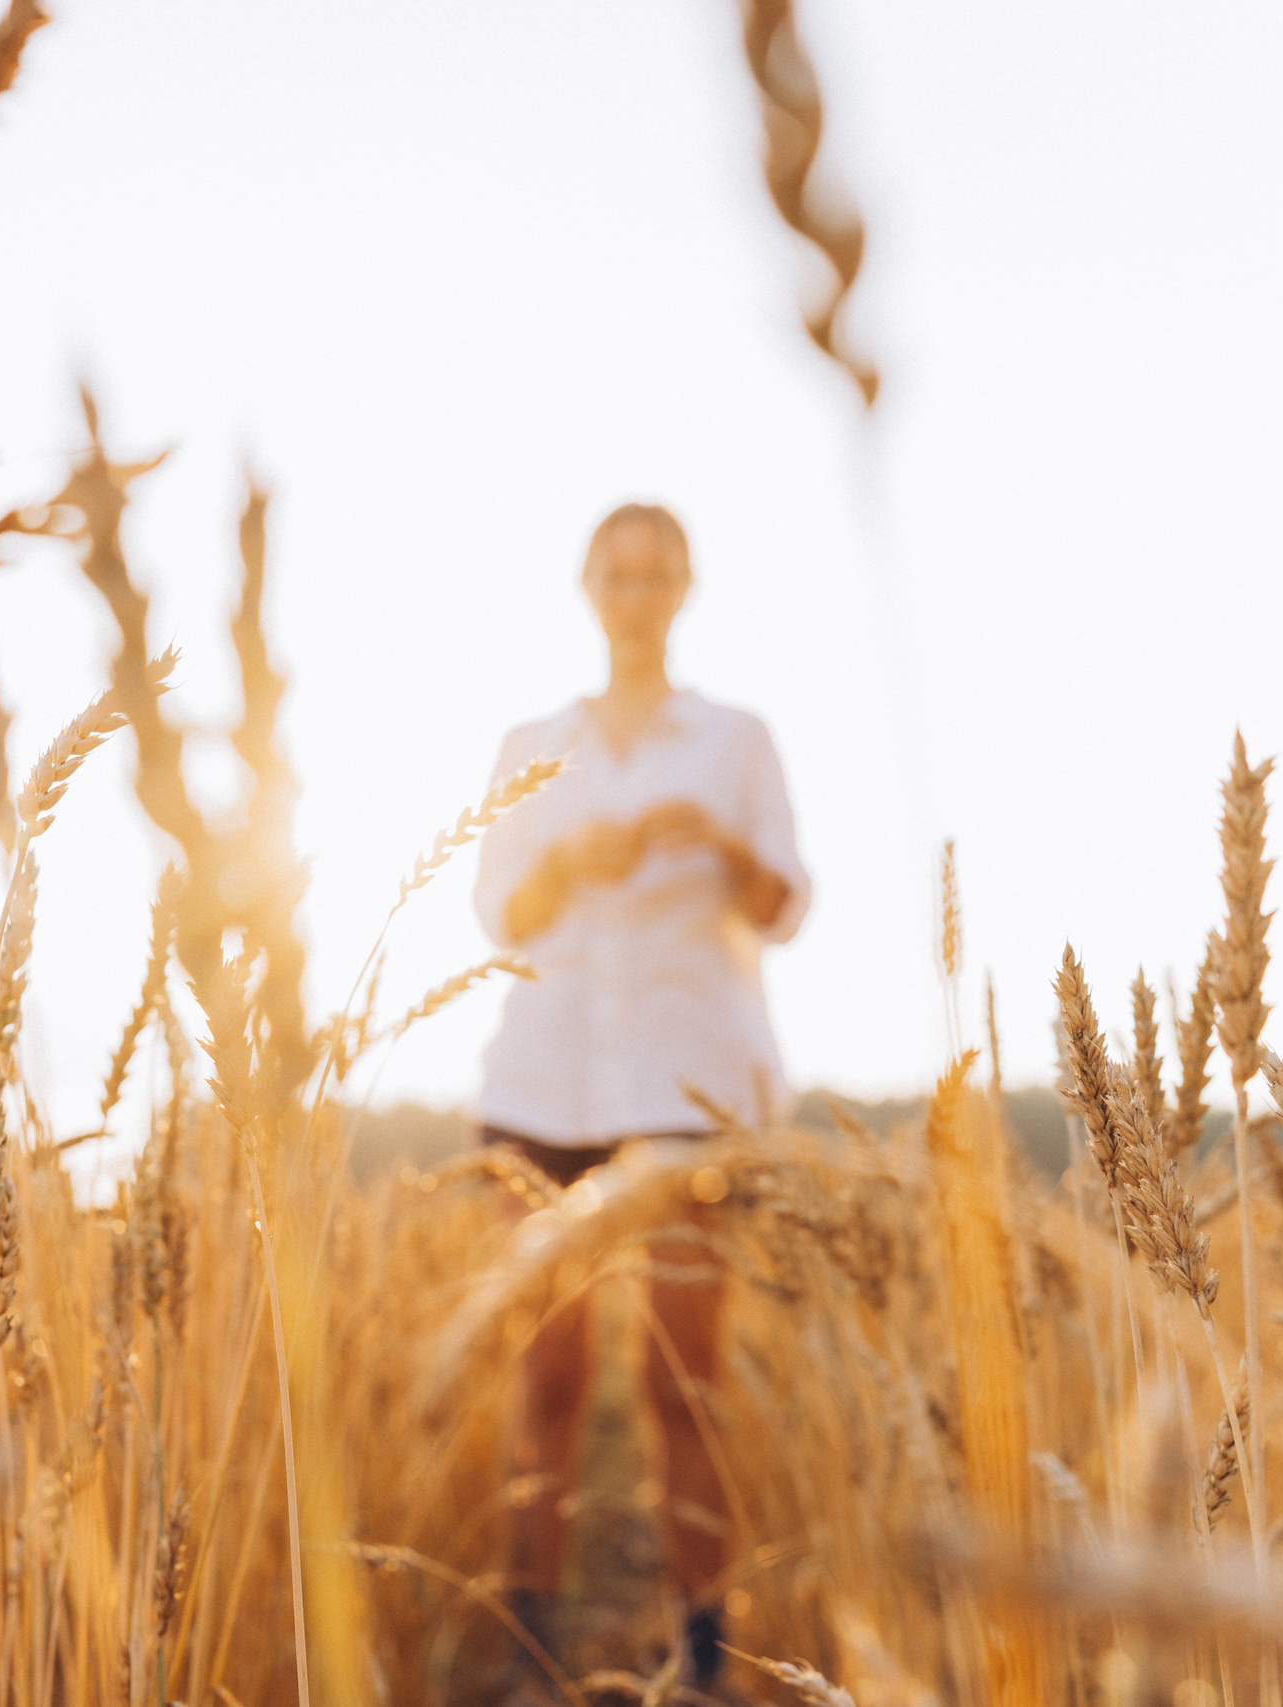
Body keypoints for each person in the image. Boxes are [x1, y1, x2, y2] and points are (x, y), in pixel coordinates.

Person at [469, 501, 809, 1700]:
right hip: (544, 1079)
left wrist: (716, 842)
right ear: (587, 587)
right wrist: (571, 861)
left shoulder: (735, 743)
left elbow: (785, 906)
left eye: (656, 572)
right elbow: (494, 912)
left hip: (686, 1083)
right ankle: (528, 1650)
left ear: (685, 589)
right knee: (547, 1379)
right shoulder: (530, 743)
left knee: (680, 1381)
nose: (635, 592)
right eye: (617, 572)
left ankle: (706, 1656)